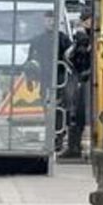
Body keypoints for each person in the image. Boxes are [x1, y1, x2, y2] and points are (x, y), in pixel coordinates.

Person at [25, 10, 71, 155]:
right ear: (44, 21)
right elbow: (30, 61)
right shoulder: (37, 41)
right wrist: (29, 79)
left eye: (53, 19)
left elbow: (71, 58)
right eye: (48, 19)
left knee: (58, 110)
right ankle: (52, 137)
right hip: (45, 80)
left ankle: (58, 138)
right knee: (47, 110)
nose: (50, 22)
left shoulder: (63, 39)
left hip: (60, 80)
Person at [63, 10, 94, 161]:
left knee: (83, 113)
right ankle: (73, 147)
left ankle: (77, 147)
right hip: (82, 78)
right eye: (86, 20)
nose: (88, 23)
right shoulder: (82, 38)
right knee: (76, 112)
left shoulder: (90, 37)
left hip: (87, 78)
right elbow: (73, 56)